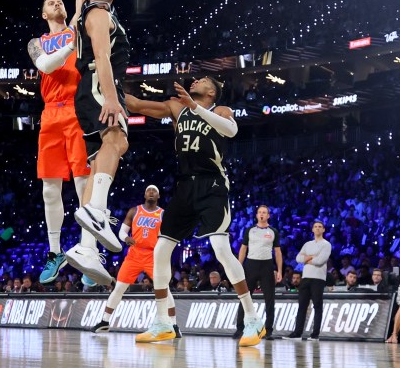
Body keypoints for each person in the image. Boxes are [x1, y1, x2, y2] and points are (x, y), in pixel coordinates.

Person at [125, 78, 265, 346]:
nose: (196, 80)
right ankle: (164, 322)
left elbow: (232, 131)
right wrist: (104, 85)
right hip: (184, 185)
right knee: (160, 250)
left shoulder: (220, 110)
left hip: (212, 184)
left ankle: (252, 319)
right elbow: (136, 104)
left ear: (211, 92)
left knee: (221, 249)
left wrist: (197, 108)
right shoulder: (177, 108)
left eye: (202, 80)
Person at [27, 0, 95, 285]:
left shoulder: (73, 27)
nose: (56, 2)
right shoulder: (38, 42)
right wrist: (73, 44)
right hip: (50, 116)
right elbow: (46, 67)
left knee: (83, 183)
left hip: (75, 110)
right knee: (49, 189)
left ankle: (85, 250)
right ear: (43, 13)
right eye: (50, 2)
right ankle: (55, 252)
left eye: (60, 1)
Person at [65, 0, 130, 284]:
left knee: (104, 159)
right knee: (115, 140)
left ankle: (86, 247)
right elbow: (102, 57)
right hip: (96, 86)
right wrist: (110, 97)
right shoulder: (99, 12)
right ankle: (94, 212)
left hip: (96, 87)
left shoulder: (101, 9)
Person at [90, 185, 181, 338]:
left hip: (154, 256)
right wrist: (126, 238)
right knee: (118, 288)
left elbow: (167, 236)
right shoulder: (134, 211)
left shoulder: (163, 214)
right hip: (134, 255)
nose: (151, 192)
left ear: (158, 196)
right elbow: (121, 232)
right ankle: (104, 322)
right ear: (145, 195)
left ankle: (173, 325)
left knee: (165, 290)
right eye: (148, 191)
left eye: (154, 191)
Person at [235, 205, 283, 340]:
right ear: (256, 215)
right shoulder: (250, 230)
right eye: (260, 212)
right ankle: (240, 329)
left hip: (267, 265)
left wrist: (279, 270)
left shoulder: (273, 231)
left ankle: (268, 330)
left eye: (264, 212)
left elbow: (278, 252)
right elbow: (243, 249)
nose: (262, 214)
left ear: (268, 215)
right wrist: (239, 266)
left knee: (270, 299)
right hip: (251, 264)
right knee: (244, 297)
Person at [285, 221, 332, 341]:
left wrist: (307, 258)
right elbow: (298, 258)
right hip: (305, 278)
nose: (317, 228)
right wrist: (311, 257)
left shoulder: (326, 244)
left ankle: (315, 334)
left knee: (317, 306)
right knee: (302, 306)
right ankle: (297, 333)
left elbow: (320, 261)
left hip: (318, 278)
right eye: (315, 227)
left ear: (323, 230)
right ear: (312, 229)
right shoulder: (307, 244)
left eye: (320, 227)